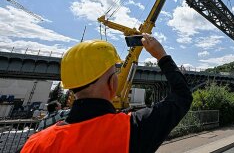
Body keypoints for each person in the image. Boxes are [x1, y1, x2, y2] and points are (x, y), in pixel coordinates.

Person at [21, 34, 193, 153]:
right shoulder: (132, 128)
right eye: (115, 72)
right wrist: (161, 55)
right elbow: (182, 96)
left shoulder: (35, 144)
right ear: (112, 83)